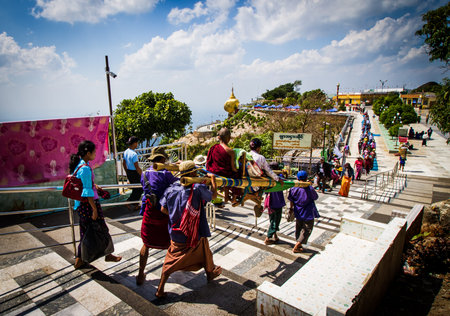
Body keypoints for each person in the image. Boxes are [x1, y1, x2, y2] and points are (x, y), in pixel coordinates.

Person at [156, 161, 222, 298]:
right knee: (201, 250)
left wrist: (179, 217)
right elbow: (213, 196)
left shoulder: (171, 188)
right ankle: (210, 273)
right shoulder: (197, 188)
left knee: (199, 252)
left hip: (176, 233)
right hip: (193, 233)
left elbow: (163, 209)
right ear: (193, 173)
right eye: (196, 172)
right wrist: (213, 181)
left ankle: (160, 289)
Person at [69, 140, 122, 269]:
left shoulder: (79, 165)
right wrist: (94, 209)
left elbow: (85, 185)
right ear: (88, 153)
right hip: (89, 205)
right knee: (102, 229)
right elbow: (87, 192)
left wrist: (95, 186)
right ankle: (106, 254)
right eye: (93, 152)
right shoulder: (86, 168)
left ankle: (80, 259)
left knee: (86, 231)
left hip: (81, 205)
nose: (95, 154)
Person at [136, 147, 178, 285]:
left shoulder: (145, 173)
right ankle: (166, 277)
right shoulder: (166, 173)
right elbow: (176, 184)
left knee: (146, 244)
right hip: (163, 212)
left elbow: (145, 188)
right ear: (161, 159)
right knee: (169, 245)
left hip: (149, 211)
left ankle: (140, 274)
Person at [288, 171, 319, 253]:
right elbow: (315, 197)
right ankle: (297, 245)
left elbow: (291, 200)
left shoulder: (293, 188)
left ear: (297, 178)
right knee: (307, 229)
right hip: (307, 212)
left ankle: (299, 245)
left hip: (297, 211)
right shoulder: (309, 188)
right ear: (306, 178)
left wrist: (291, 209)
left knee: (298, 227)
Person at [206, 127, 239, 203]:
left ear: (219, 137)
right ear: (229, 138)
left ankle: (226, 195)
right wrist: (237, 170)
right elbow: (232, 168)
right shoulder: (230, 151)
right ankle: (234, 197)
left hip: (212, 171)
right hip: (224, 173)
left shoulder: (213, 148)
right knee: (237, 174)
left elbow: (209, 162)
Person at [263, 163, 286, 245]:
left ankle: (275, 236)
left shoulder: (267, 178)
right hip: (277, 202)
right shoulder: (279, 178)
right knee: (275, 221)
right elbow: (285, 180)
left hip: (270, 202)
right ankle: (268, 238)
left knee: (273, 220)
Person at [123, 136, 143, 207]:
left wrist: (127, 172)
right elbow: (136, 167)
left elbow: (124, 163)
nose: (137, 144)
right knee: (140, 188)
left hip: (129, 172)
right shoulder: (134, 154)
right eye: (137, 143)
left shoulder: (125, 152)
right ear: (134, 143)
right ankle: (129, 201)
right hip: (134, 173)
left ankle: (135, 204)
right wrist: (142, 174)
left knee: (135, 189)